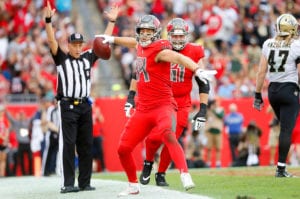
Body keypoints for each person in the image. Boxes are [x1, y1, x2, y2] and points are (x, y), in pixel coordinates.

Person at [96, 11, 215, 196]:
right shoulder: (141, 45)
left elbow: (178, 58)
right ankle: (133, 185)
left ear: (156, 34)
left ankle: (184, 173)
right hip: (143, 108)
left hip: (163, 105)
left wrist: (197, 69)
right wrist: (111, 39)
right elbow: (132, 42)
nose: (144, 35)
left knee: (169, 134)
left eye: (148, 32)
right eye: (142, 31)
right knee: (123, 149)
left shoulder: (161, 49)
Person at [44, 1, 105, 193]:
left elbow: (103, 45)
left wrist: (110, 22)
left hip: (85, 105)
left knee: (86, 144)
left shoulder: (87, 58)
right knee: (68, 145)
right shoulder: (62, 59)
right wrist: (48, 21)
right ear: (68, 45)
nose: (78, 48)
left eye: (80, 45)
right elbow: (52, 42)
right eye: (75, 45)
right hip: (68, 106)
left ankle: (85, 182)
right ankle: (68, 183)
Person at [254, 13, 300, 177]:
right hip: (289, 90)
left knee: (284, 129)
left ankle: (282, 166)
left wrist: (257, 94)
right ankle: (281, 169)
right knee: (287, 130)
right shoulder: (297, 45)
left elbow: (261, 72)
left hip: (272, 91)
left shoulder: (268, 43)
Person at [205, 99, 224, 168]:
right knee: (209, 148)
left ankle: (218, 163)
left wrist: (213, 110)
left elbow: (220, 116)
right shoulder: (208, 110)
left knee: (218, 148)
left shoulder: (220, 109)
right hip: (209, 131)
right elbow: (204, 117)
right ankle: (208, 163)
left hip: (218, 131)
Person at [0, 104, 9, 177]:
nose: (2, 112)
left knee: (3, 159)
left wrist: (6, 139)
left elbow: (7, 130)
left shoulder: (5, 120)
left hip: (3, 142)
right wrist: (3, 138)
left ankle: (2, 174)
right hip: (1, 141)